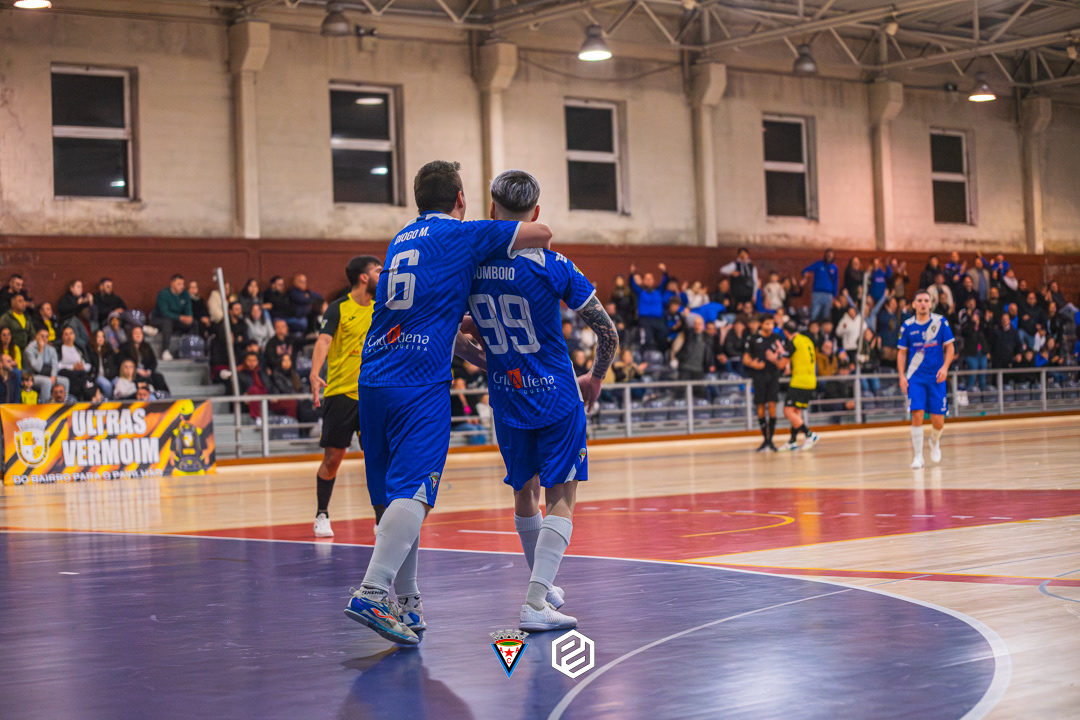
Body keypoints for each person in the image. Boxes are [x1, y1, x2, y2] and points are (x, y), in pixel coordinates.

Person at [344, 160, 552, 646]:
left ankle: (408, 601)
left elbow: (418, 310)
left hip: (373, 377)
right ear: (460, 199)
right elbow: (540, 232)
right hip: (417, 381)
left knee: (394, 497)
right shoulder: (463, 233)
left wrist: (460, 345)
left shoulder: (401, 239)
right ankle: (372, 591)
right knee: (416, 491)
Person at [468, 169, 618, 632]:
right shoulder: (554, 265)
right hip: (555, 394)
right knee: (562, 495)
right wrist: (594, 378)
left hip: (507, 394)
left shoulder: (469, 267)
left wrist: (478, 356)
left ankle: (542, 586)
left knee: (524, 492)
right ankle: (535, 603)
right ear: (535, 214)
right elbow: (608, 332)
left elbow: (448, 328)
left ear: (491, 211)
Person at [308, 255, 381, 539]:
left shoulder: (381, 307)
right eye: (378, 270)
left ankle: (381, 519)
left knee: (376, 458)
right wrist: (315, 373)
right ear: (364, 277)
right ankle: (322, 514)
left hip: (371, 394)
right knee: (333, 459)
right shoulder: (339, 308)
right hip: (340, 394)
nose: (383, 274)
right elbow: (324, 340)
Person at [897, 290, 955, 469]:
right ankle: (918, 456)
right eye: (919, 300)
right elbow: (901, 352)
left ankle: (934, 441)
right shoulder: (907, 326)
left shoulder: (940, 322)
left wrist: (945, 368)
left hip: (936, 378)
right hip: (916, 378)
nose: (923, 303)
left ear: (931, 304)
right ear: (914, 304)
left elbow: (950, 347)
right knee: (917, 414)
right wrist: (901, 376)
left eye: (926, 300)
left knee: (938, 421)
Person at [743, 315, 785, 452]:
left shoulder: (777, 339)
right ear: (761, 324)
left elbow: (783, 359)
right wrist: (753, 364)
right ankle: (765, 440)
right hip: (759, 376)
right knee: (760, 406)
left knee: (772, 406)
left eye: (772, 324)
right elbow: (745, 358)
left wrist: (776, 360)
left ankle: (770, 440)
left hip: (773, 375)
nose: (770, 326)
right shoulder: (752, 338)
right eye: (767, 323)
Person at [778, 320, 819, 451]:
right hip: (811, 379)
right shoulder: (807, 340)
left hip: (799, 381)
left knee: (788, 411)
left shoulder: (792, 343)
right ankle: (793, 441)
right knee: (796, 412)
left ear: (785, 332)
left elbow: (781, 364)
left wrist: (776, 355)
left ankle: (809, 434)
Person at [151, 274, 194, 360]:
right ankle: (165, 351)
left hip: (177, 321)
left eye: (183, 284)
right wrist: (181, 318)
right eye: (179, 284)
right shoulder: (163, 294)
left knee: (194, 323)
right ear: (172, 283)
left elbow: (188, 309)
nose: (182, 286)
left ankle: (191, 348)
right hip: (160, 320)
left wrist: (189, 317)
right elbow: (165, 312)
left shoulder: (185, 294)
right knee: (167, 322)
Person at [628, 262, 669, 350]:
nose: (649, 280)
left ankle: (661, 355)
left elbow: (665, 281)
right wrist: (632, 273)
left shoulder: (659, 291)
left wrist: (664, 271)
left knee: (662, 337)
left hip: (658, 320)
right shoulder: (640, 292)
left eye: (650, 279)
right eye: (646, 279)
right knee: (646, 340)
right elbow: (632, 284)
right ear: (643, 281)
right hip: (645, 320)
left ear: (653, 280)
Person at [119, 326, 170, 394]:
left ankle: (165, 395)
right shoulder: (124, 347)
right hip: (133, 374)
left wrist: (149, 371)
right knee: (145, 380)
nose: (138, 335)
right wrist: (137, 371)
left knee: (158, 377)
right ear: (131, 335)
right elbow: (123, 362)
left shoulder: (146, 346)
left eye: (140, 333)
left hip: (146, 372)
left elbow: (153, 362)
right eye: (136, 333)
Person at [802, 249, 839, 323]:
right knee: (814, 314)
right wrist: (805, 277)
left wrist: (834, 296)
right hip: (817, 293)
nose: (829, 256)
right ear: (825, 255)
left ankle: (823, 330)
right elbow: (805, 270)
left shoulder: (834, 268)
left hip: (828, 294)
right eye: (828, 254)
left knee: (826, 315)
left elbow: (835, 282)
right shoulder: (819, 264)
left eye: (831, 255)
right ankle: (812, 327)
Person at [57, 326, 92, 401]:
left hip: (80, 372)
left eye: (71, 333)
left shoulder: (79, 348)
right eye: (66, 334)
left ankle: (88, 398)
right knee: (75, 379)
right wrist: (72, 367)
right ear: (62, 337)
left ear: (74, 335)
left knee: (84, 375)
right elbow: (57, 366)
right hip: (66, 373)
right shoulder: (59, 349)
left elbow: (88, 365)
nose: (69, 336)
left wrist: (82, 367)